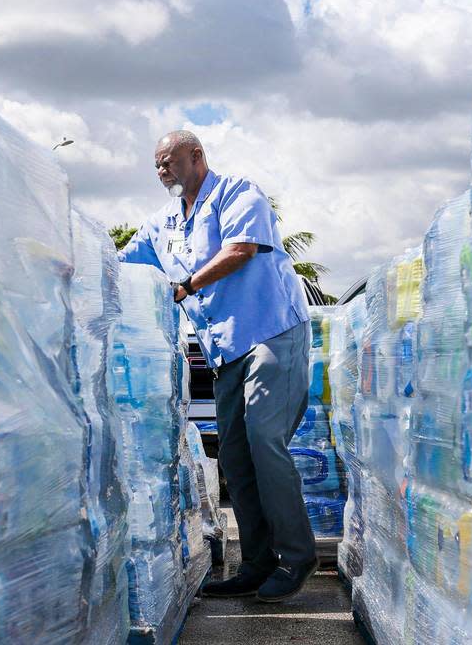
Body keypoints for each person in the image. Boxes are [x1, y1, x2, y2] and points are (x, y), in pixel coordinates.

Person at [119, 129, 317, 602]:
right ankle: (256, 563)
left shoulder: (237, 193)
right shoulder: (164, 222)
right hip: (225, 350)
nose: (162, 171)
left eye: (168, 162)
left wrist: (185, 284)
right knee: (233, 454)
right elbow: (122, 261)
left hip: (271, 334)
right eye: (157, 166)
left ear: (196, 156)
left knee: (264, 439)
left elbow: (240, 250)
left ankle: (296, 558)